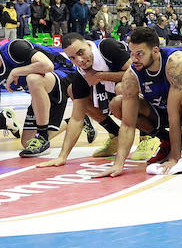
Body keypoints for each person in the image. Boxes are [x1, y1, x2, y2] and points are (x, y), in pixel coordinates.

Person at [105, 27, 182, 176]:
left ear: (155, 51)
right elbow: (128, 124)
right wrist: (118, 164)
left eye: (139, 54)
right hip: (165, 108)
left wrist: (175, 159)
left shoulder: (175, 62)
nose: (134, 59)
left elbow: (174, 116)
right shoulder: (131, 74)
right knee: (117, 103)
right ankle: (165, 140)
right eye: (132, 53)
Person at [0, 36, 78, 157]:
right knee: (27, 142)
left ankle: (43, 137)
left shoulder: (13, 48)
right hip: (43, 93)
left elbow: (47, 65)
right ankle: (75, 122)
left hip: (67, 76)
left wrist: (16, 71)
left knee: (33, 78)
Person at [40, 34, 134, 165]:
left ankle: (147, 136)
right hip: (110, 94)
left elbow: (137, 75)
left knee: (122, 88)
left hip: (145, 93)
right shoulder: (81, 73)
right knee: (72, 90)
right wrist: (62, 157)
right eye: (72, 57)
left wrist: (101, 76)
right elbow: (77, 118)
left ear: (88, 45)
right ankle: (115, 134)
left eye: (81, 52)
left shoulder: (107, 47)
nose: (79, 60)